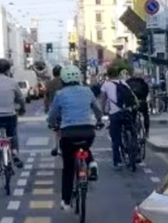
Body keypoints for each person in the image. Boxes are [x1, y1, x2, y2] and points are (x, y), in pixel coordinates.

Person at [47, 64, 103, 209]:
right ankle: (91, 163)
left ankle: (66, 201)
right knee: (84, 146)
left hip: (68, 133)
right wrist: (99, 121)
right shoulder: (87, 91)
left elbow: (53, 114)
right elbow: (97, 109)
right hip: (87, 131)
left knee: (68, 168)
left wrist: (51, 124)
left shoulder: (60, 94)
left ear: (63, 79)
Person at [101, 65, 139, 169]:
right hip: (127, 112)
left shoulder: (106, 85)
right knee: (132, 130)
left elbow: (103, 100)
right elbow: (131, 96)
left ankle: (117, 162)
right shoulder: (124, 82)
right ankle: (136, 151)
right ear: (117, 74)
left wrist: (103, 112)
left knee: (115, 139)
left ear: (108, 75)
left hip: (115, 114)